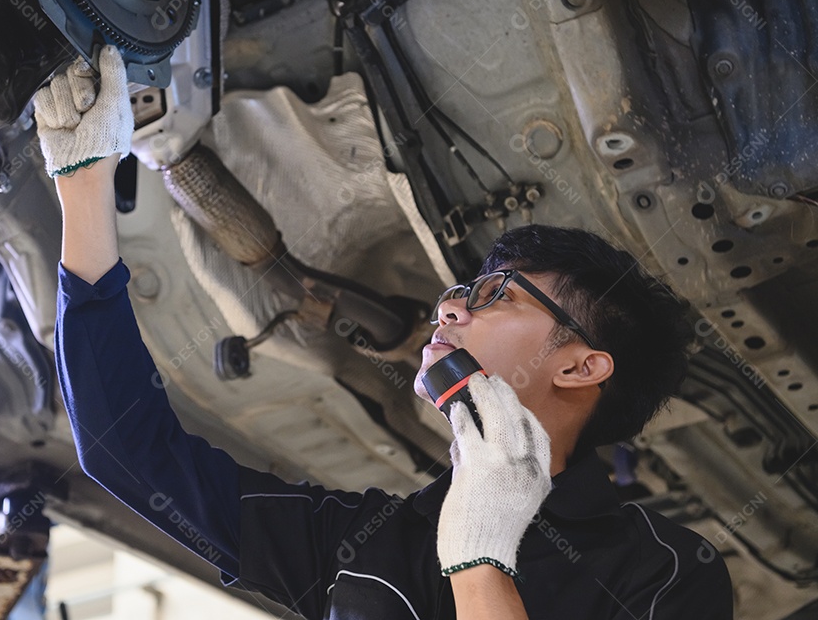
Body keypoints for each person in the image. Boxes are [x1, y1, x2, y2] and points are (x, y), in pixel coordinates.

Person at [36, 47, 734, 619]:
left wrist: (481, 558)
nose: (449, 309)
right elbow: (125, 450)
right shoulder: (372, 539)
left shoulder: (665, 575)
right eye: (462, 290)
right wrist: (85, 186)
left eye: (495, 294)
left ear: (581, 366)